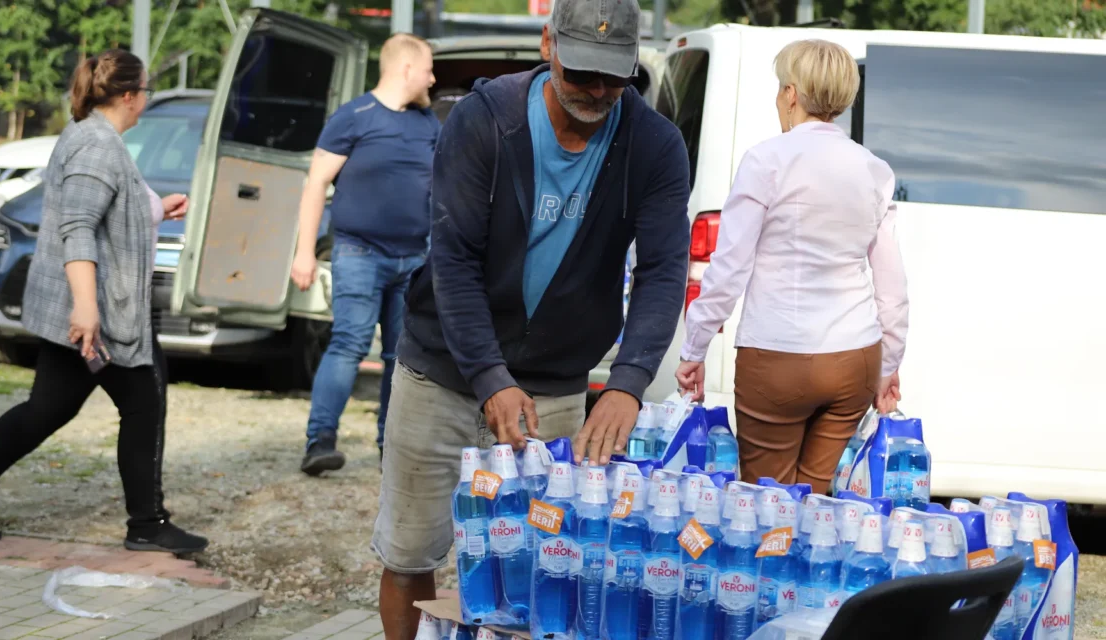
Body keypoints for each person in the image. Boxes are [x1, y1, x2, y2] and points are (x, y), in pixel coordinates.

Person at [372, 0, 692, 634]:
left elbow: (662, 272)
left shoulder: (655, 146)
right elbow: (454, 260)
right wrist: (491, 378)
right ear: (548, 46)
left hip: (555, 382)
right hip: (441, 370)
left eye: (614, 76)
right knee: (411, 552)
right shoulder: (484, 121)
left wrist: (626, 384)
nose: (597, 91)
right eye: (582, 73)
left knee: (546, 562)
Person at [0, 50, 208, 555]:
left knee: (47, 411)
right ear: (128, 95)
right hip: (97, 311)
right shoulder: (98, 146)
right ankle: (146, 524)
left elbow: (99, 209)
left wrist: (153, 208)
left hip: (82, 307)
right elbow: (77, 226)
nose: (146, 98)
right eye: (144, 90)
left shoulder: (89, 135)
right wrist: (86, 309)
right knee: (144, 401)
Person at [675, 39, 910, 494]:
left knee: (769, 503)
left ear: (791, 94)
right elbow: (892, 286)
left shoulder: (766, 161)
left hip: (778, 356)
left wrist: (695, 347)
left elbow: (729, 268)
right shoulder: (875, 170)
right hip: (856, 358)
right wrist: (890, 363)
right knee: (819, 499)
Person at [293, 34, 440, 476]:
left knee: (403, 358)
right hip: (359, 252)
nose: (433, 77)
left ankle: (390, 447)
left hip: (414, 259)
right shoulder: (352, 117)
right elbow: (316, 183)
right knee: (349, 344)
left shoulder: (429, 124)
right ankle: (320, 442)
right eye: (429, 68)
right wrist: (303, 252)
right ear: (406, 69)